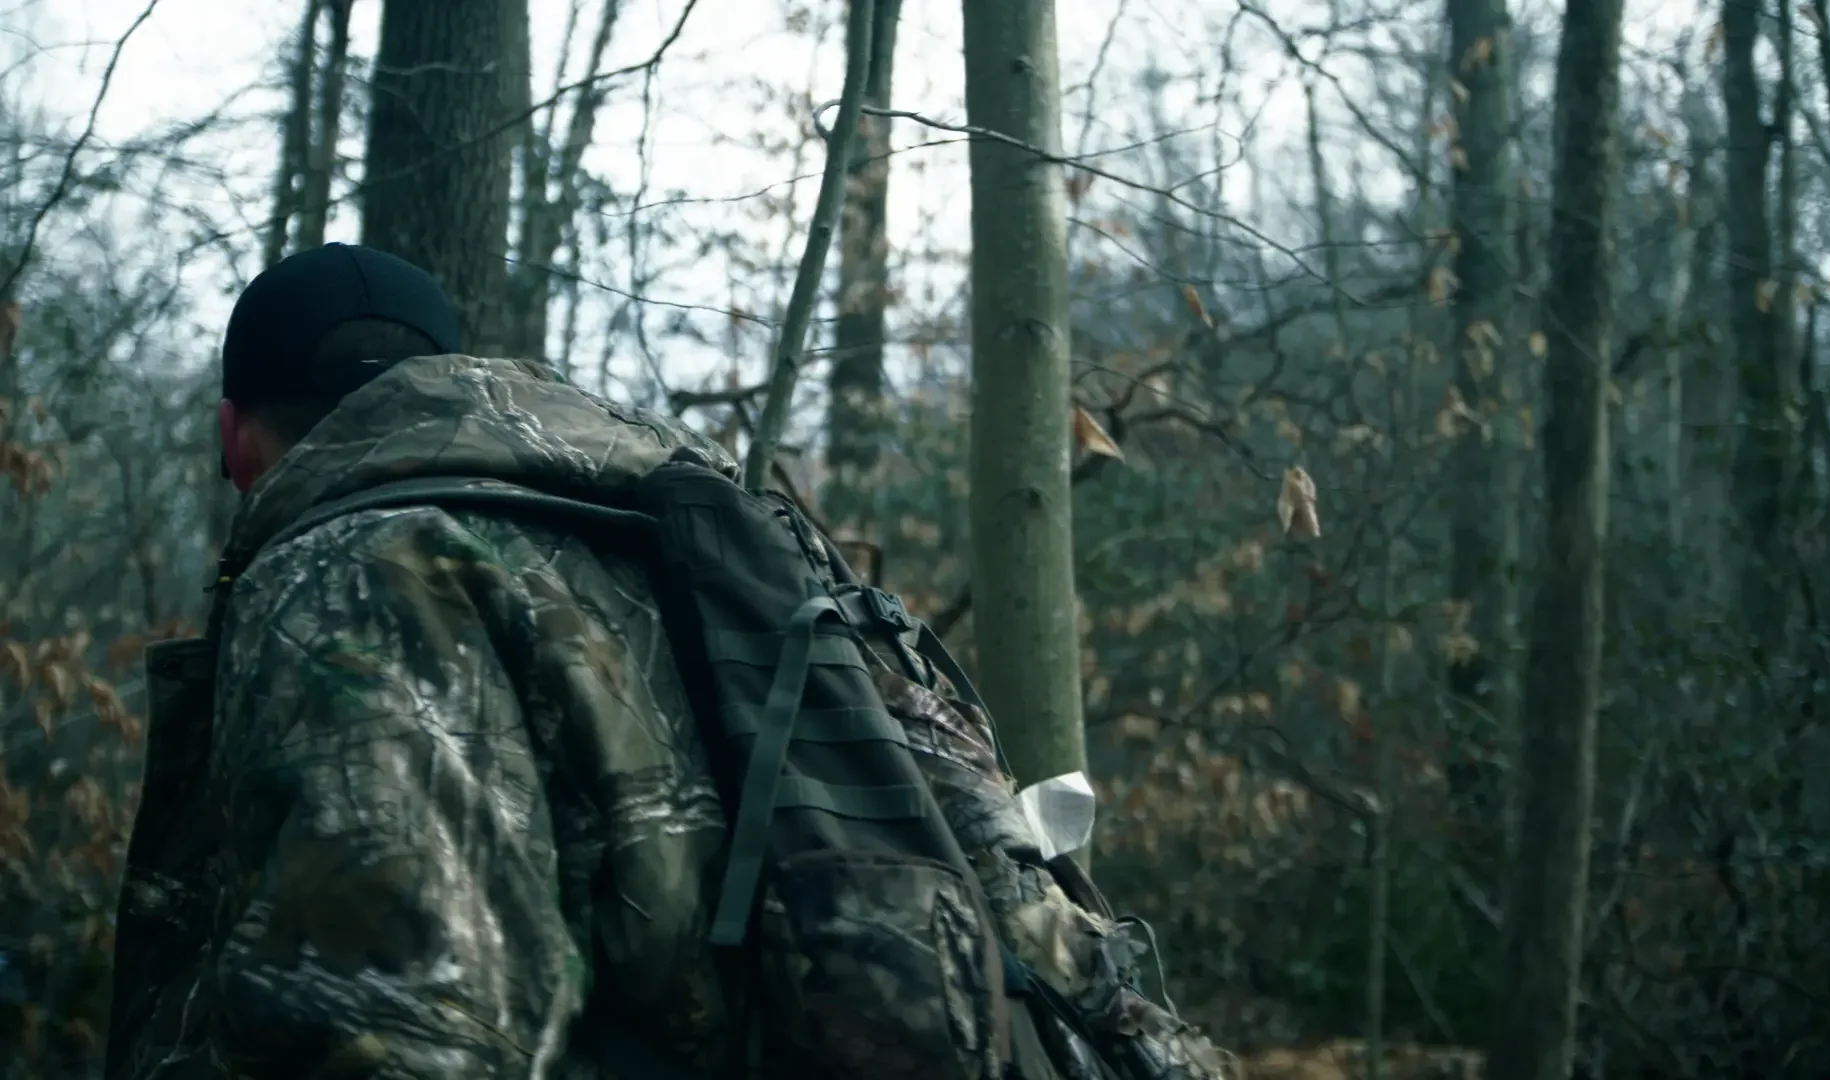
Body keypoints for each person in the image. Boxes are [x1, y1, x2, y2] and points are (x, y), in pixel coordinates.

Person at [105, 243, 1223, 1079]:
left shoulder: (355, 570)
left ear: (231, 436)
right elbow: (1019, 896)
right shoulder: (718, 538)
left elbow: (398, 1025)